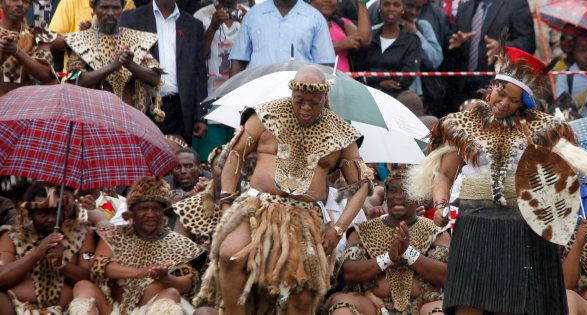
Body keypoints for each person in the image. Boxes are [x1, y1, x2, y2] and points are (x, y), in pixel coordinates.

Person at [405, 43, 587, 314]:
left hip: (522, 225)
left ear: (524, 101)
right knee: (468, 303)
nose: (504, 103)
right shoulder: (460, 124)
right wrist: (440, 204)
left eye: (514, 100)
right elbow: (445, 173)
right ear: (493, 84)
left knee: (515, 306)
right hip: (474, 223)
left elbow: (556, 180)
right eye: (501, 93)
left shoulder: (544, 129)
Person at [194, 65, 373, 314]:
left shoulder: (341, 132)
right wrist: (226, 202)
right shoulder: (265, 115)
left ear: (325, 97)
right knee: (230, 255)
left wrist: (338, 228)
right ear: (292, 94)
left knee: (303, 291)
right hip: (256, 207)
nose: (306, 107)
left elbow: (361, 186)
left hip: (305, 217)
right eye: (300, 101)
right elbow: (235, 154)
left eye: (314, 102)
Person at [67, 176, 204, 315]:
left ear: (163, 212)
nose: (150, 214)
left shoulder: (179, 243)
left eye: (156, 208)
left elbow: (187, 283)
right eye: (143, 208)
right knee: (83, 286)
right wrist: (140, 272)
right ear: (132, 212)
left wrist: (165, 278)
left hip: (151, 308)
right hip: (112, 307)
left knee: (171, 292)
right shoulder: (115, 234)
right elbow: (98, 265)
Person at [326, 171, 449, 315]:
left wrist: (408, 253)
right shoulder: (362, 231)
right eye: (392, 191)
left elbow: (445, 276)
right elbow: (349, 274)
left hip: (423, 303)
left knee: (439, 311)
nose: (398, 196)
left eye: (406, 191)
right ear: (386, 196)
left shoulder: (437, 231)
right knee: (342, 309)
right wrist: (388, 258)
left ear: (418, 197)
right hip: (374, 304)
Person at [119, 0, 208, 145]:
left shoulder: (193, 25)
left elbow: (199, 72)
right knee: (145, 160)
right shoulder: (131, 18)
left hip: (180, 109)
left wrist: (200, 116)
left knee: (178, 163)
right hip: (143, 106)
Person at [0, 182, 95, 314]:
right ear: (29, 214)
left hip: (66, 311)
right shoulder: (12, 236)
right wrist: (36, 254)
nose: (51, 219)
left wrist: (62, 264)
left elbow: (91, 278)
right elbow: (1, 278)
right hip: (19, 309)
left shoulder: (82, 234)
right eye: (42, 214)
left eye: (56, 212)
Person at [64, 0, 165, 122]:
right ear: (94, 9)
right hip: (94, 120)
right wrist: (111, 67)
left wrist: (130, 64)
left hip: (131, 122)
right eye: (104, 7)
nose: (111, 13)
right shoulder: (81, 40)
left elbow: (155, 78)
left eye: (116, 8)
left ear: (122, 10)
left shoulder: (137, 39)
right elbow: (73, 79)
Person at [446, 0, 535, 109]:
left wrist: (503, 48)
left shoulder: (516, 4)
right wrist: (456, 42)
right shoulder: (465, 7)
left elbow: (528, 43)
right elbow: (450, 41)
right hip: (462, 87)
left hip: (498, 89)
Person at [228, 0, 336, 76]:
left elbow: (325, 64)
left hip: (299, 95)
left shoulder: (315, 18)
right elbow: (238, 60)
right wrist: (231, 98)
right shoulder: (253, 15)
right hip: (257, 92)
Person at [354, 0, 421, 100]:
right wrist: (380, 84)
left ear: (403, 9)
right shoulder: (368, 38)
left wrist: (374, 80)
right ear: (379, 8)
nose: (391, 9)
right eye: (386, 4)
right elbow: (358, 70)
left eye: (396, 5)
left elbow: (408, 75)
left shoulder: (412, 40)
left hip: (398, 99)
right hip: (367, 96)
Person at [0, 0, 56, 96]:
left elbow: (47, 75)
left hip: (24, 105)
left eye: (26, 1)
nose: (20, 4)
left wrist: (16, 51)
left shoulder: (37, 36)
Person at [194, 0, 242, 94]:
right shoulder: (200, 16)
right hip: (210, 93)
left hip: (241, 90)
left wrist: (246, 22)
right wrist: (212, 27)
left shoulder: (248, 14)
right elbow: (195, 58)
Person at [310, 0, 371, 72]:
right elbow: (302, 50)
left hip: (344, 80)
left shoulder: (341, 23)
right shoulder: (302, 23)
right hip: (316, 79)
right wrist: (340, 45)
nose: (328, 1)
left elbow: (363, 40)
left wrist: (362, 3)